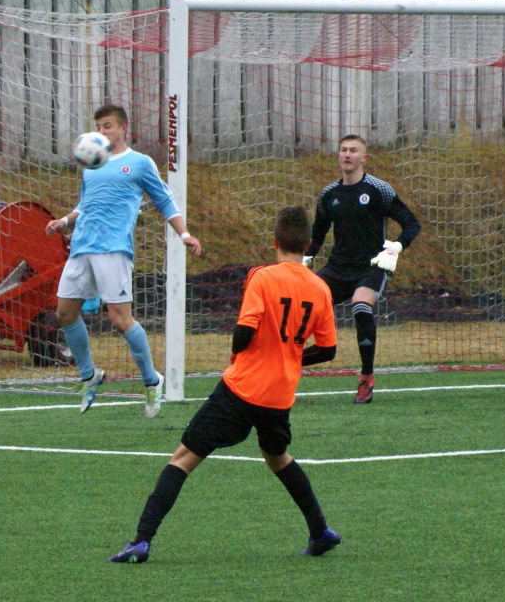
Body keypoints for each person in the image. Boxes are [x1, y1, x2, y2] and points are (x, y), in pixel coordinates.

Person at [110, 206, 340, 563]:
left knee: (183, 458)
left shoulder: (262, 277)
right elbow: (328, 349)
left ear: (275, 241)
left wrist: (236, 355)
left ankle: (142, 540)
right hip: (279, 394)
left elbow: (244, 330)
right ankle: (320, 531)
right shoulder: (320, 288)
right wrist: (292, 356)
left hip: (243, 387)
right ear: (309, 244)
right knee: (278, 458)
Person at [46, 104, 202, 417]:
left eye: (107, 126)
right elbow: (85, 204)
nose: (102, 132)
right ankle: (89, 376)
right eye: (98, 127)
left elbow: (165, 200)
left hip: (114, 249)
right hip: (82, 247)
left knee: (119, 320)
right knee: (65, 313)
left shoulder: (140, 163)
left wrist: (184, 234)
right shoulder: (92, 163)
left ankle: (152, 381)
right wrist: (63, 221)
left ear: (123, 128)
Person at [304, 134, 421, 404]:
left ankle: (366, 377)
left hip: (371, 266)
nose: (347, 154)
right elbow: (318, 236)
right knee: (306, 303)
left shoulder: (379, 189)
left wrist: (395, 248)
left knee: (361, 306)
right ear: (338, 156)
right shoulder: (329, 194)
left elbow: (411, 223)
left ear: (364, 157)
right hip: (337, 267)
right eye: (344, 150)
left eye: (353, 150)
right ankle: (286, 362)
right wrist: (304, 259)